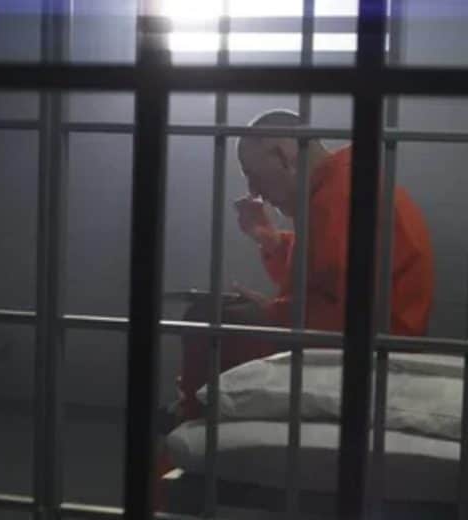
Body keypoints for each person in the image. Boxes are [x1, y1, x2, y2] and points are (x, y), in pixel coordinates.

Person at [177, 109, 435, 417]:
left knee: (207, 319)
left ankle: (192, 415)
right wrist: (272, 242)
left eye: (252, 175)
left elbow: (346, 315)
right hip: (371, 340)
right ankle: (194, 409)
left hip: (370, 352)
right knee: (224, 315)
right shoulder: (342, 187)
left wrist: (273, 311)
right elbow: (323, 278)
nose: (254, 191)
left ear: (284, 156)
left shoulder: (341, 198)